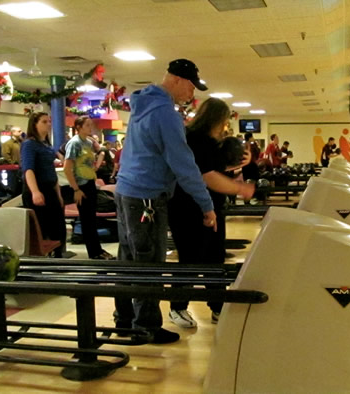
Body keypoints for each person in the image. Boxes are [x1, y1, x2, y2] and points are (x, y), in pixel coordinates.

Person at [113, 58, 217, 344]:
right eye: (191, 86)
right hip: (146, 197)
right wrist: (206, 204)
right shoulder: (165, 113)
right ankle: (145, 326)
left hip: (125, 191)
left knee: (128, 260)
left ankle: (124, 320)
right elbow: (183, 163)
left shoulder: (142, 105)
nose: (192, 94)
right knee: (149, 262)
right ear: (177, 80)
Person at [168, 98, 254, 329]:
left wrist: (240, 165)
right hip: (188, 208)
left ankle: (218, 306)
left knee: (214, 258)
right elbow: (207, 177)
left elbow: (213, 169)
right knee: (191, 260)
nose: (225, 125)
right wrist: (240, 188)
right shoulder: (195, 140)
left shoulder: (208, 142)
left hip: (210, 207)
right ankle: (177, 307)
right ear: (216, 119)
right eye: (224, 120)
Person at [63, 116, 115, 260]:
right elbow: (68, 168)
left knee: (91, 219)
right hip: (81, 185)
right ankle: (94, 252)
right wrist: (76, 189)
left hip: (90, 183)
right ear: (78, 127)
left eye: (90, 125)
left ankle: (97, 249)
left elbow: (91, 164)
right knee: (86, 219)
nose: (90, 127)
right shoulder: (74, 143)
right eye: (87, 125)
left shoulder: (88, 143)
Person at [20, 112, 66, 257]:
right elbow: (28, 169)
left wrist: (58, 194)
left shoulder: (46, 144)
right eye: (44, 122)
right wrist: (35, 192)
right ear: (35, 124)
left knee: (58, 227)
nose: (48, 124)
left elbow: (51, 171)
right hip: (37, 188)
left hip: (50, 188)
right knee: (42, 227)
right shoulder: (29, 144)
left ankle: (57, 257)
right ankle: (43, 259)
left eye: (49, 121)